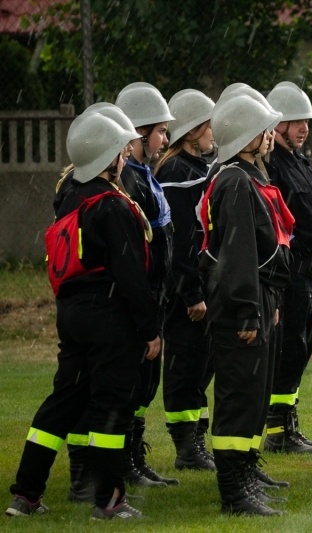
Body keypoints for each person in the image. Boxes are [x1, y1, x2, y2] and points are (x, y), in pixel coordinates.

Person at [6, 111, 157, 520]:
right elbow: (131, 278)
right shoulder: (113, 206)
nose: (127, 155)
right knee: (112, 407)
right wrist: (150, 329)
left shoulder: (69, 196)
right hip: (109, 318)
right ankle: (108, 501)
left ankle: (25, 494)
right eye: (122, 150)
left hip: (71, 314)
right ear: (109, 157)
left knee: (62, 402)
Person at [199, 93, 289, 516]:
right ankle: (233, 492)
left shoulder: (247, 175)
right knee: (239, 398)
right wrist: (247, 308)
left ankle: (247, 474)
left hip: (257, 297)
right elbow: (238, 255)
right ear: (248, 138)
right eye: (265, 129)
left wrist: (264, 301)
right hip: (241, 305)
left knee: (254, 395)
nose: (271, 136)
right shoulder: (235, 181)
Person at [263, 81, 312, 454]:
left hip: (310, 276)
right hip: (292, 276)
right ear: (276, 125)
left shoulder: (297, 162)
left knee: (299, 352)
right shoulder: (273, 164)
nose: (303, 127)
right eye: (294, 120)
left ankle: (286, 425)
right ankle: (277, 432)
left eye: (305, 120)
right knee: (288, 351)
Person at [115, 81, 178, 487]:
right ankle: (122, 464)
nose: (164, 139)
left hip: (157, 297)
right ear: (138, 135)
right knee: (130, 385)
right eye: (159, 131)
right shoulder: (131, 182)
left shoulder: (144, 174)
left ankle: (134, 459)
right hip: (137, 301)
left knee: (145, 386)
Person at [154, 89, 216, 471]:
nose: (215, 133)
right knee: (185, 367)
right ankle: (186, 448)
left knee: (200, 365)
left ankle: (196, 442)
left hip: (202, 288)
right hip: (184, 295)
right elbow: (179, 243)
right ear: (192, 132)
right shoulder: (176, 173)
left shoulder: (198, 169)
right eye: (209, 125)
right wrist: (192, 293)